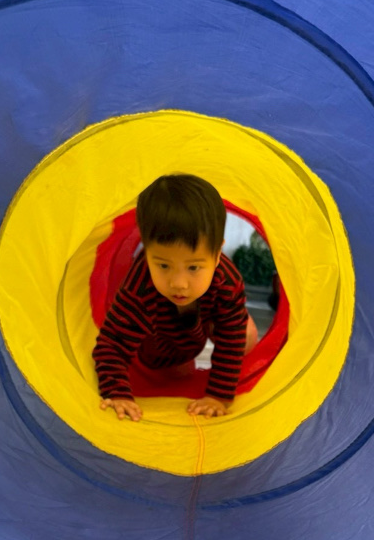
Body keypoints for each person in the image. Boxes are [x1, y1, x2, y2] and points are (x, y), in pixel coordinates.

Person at [93, 173, 258, 421]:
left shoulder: (226, 280)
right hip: (158, 346)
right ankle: (175, 369)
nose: (178, 283)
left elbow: (231, 338)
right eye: (163, 265)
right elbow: (112, 344)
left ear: (216, 255)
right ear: (146, 251)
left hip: (203, 326)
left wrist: (218, 396)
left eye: (193, 267)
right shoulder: (140, 286)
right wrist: (117, 393)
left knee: (245, 334)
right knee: (175, 376)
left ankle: (190, 363)